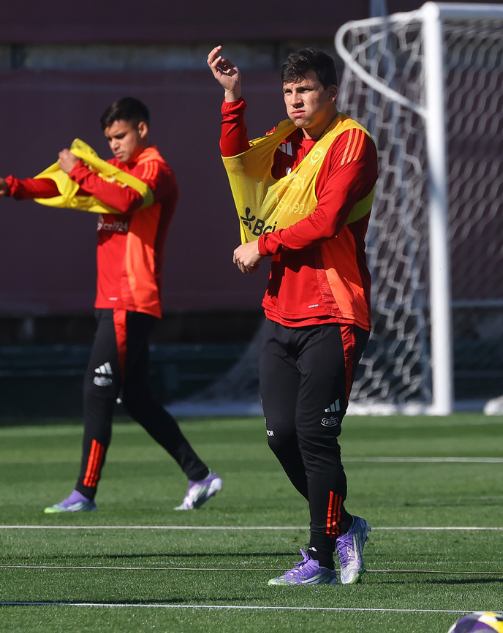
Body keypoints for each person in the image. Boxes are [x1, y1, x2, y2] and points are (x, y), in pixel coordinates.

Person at [0, 98, 222, 513]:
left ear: (142, 129)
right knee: (138, 398)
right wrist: (13, 186)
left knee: (97, 390)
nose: (114, 145)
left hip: (132, 298)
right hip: (111, 300)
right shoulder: (111, 173)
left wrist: (81, 169)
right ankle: (200, 475)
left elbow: (125, 201)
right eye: (108, 139)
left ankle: (84, 494)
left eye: (120, 136)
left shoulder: (156, 171)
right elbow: (64, 186)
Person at [207, 45, 376, 585]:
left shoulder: (352, 143)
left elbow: (327, 220)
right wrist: (233, 98)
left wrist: (264, 246)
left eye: (306, 89)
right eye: (289, 90)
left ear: (331, 92)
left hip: (334, 308)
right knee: (281, 435)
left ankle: (320, 559)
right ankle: (344, 525)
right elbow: (239, 163)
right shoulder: (285, 141)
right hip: (282, 310)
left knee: (315, 436)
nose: (296, 99)